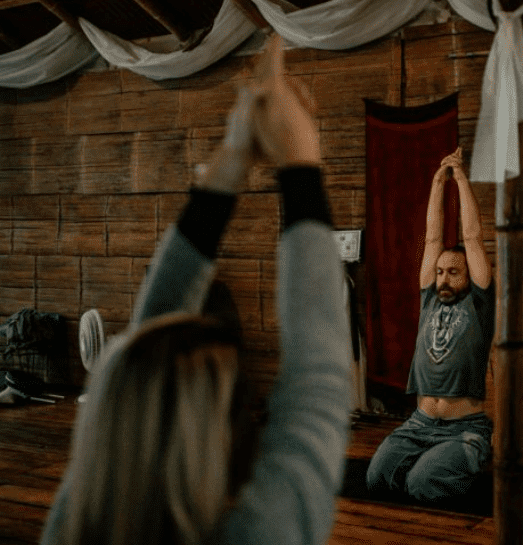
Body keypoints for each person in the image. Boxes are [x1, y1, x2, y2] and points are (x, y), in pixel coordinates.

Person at [40, 37, 353, 545]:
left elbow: (152, 331)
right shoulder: (261, 534)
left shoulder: (76, 520)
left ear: (105, 422)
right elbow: (319, 379)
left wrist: (237, 162)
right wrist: (297, 157)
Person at [366, 147, 496, 503]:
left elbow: (472, 237)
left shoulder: (479, 303)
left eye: (453, 272)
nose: (443, 279)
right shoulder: (429, 299)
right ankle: (434, 460)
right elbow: (433, 238)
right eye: (440, 272)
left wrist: (461, 178)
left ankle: (473, 454)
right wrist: (438, 182)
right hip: (419, 423)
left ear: (470, 277)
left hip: (463, 427)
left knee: (422, 486)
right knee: (377, 480)